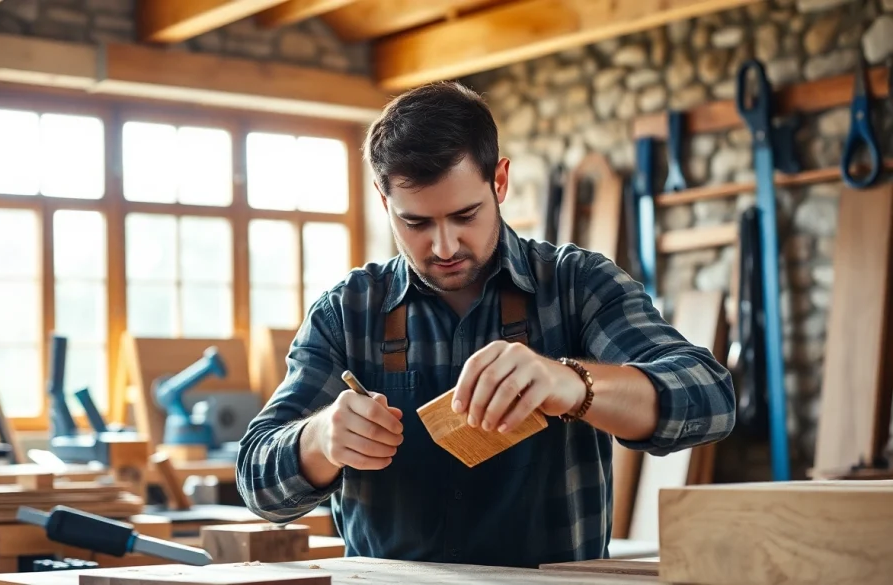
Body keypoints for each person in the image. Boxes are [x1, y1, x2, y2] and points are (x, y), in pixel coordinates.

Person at [236, 81, 735, 569]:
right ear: (384, 201)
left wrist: (574, 384)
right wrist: (320, 440)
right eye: (417, 223)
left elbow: (710, 399)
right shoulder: (347, 312)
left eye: (465, 214)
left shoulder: (576, 285)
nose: (445, 246)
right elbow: (256, 482)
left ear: (499, 181)